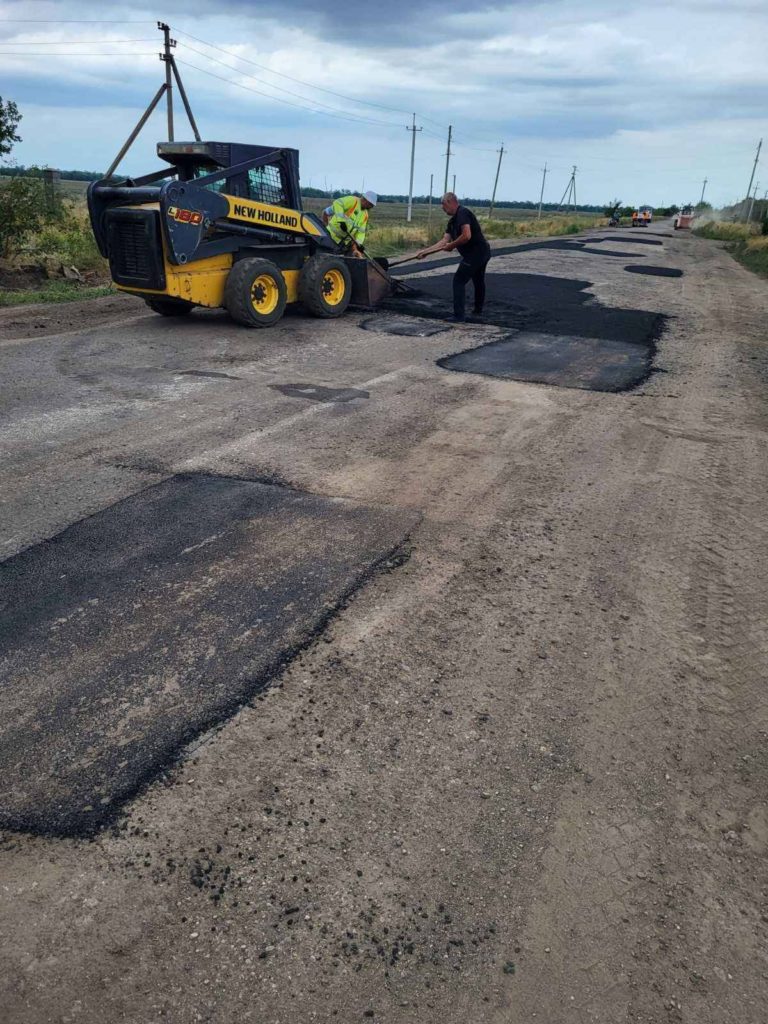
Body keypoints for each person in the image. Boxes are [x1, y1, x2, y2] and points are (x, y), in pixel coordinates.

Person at [415, 192, 491, 322]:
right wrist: (426, 252)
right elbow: (443, 241)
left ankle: (459, 316)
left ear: (450, 202)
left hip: (477, 253)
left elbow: (467, 235)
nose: (442, 209)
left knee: (458, 280)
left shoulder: (462, 213)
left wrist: (452, 245)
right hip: (481, 253)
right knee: (478, 280)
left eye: (443, 205)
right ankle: (478, 310)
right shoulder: (452, 221)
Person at [323, 191, 377, 257]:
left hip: (344, 243)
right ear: (366, 200)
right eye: (370, 205)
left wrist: (358, 245)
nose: (371, 207)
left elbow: (361, 232)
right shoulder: (353, 201)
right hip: (330, 237)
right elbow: (337, 203)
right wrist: (341, 221)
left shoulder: (365, 214)